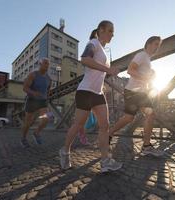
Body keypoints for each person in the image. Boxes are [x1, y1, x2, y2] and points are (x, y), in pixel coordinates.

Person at [59, 20, 122, 172]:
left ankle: (105, 160)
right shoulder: (93, 42)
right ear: (101, 30)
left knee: (105, 125)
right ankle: (65, 151)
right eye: (110, 31)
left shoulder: (102, 50)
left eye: (113, 32)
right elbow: (85, 60)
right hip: (85, 91)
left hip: (97, 93)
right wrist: (107, 70)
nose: (112, 34)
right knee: (78, 124)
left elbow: (97, 72)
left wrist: (102, 84)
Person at [109, 36, 164, 157]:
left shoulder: (147, 59)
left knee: (133, 117)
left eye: (158, 45)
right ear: (148, 44)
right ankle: (146, 146)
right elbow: (130, 70)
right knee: (141, 116)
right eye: (156, 44)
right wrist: (146, 78)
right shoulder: (142, 55)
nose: (157, 48)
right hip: (134, 92)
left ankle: (110, 133)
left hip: (139, 92)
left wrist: (150, 81)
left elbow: (143, 76)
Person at [20, 58, 52, 148]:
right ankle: (23, 138)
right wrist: (34, 93)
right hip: (32, 101)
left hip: (42, 101)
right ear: (40, 64)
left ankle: (36, 132)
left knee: (47, 118)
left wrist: (47, 99)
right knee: (28, 122)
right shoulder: (33, 75)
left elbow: (48, 90)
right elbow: (25, 88)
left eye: (48, 64)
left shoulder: (49, 78)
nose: (47, 65)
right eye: (45, 63)